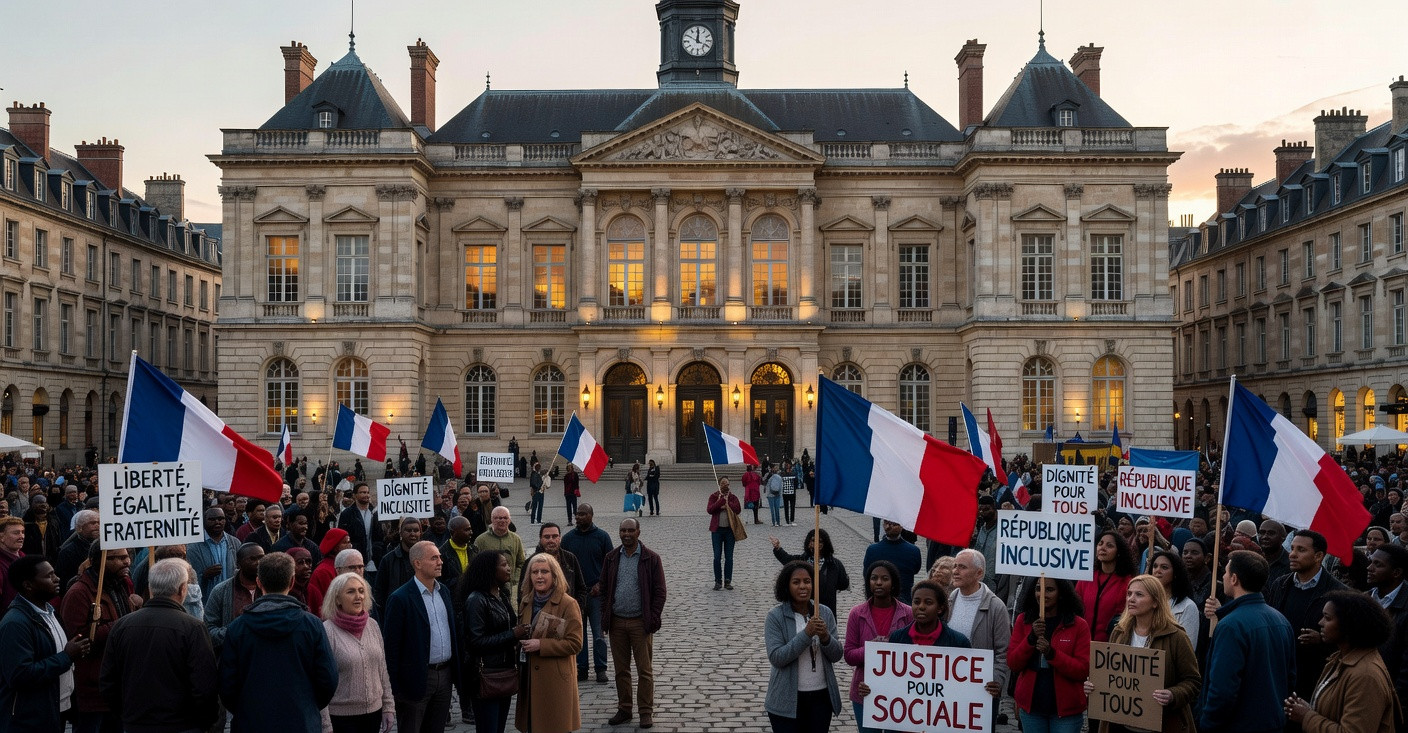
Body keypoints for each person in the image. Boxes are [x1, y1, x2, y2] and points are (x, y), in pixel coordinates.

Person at [219, 552, 338, 733]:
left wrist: (246, 709)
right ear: (292, 582)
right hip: (301, 722)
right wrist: (307, 705)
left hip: (252, 723)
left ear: (259, 583)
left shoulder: (237, 628)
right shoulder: (312, 625)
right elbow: (328, 678)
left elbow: (227, 685)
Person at [99, 558, 218, 733]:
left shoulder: (122, 626)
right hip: (182, 725)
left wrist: (128, 715)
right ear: (182, 589)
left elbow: (108, 682)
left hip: (136, 723)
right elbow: (204, 686)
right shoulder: (193, 627)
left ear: (150, 588)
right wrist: (204, 722)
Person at [1088, 574, 1201, 733]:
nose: (1131, 599)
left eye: (1139, 594)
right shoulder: (1119, 632)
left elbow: (1193, 681)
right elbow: (1111, 676)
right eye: (1129, 594)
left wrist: (1172, 694)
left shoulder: (1176, 637)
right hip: (1120, 726)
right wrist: (1095, 685)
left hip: (1162, 725)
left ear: (1155, 602)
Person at [1199, 550, 1297, 733]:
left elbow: (1223, 690)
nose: (1223, 576)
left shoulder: (1231, 626)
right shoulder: (1282, 620)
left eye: (1226, 572)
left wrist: (1208, 724)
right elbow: (1290, 679)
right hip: (1273, 723)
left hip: (1239, 725)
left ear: (1234, 579)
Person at [1284, 590, 1400, 733]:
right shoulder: (1341, 659)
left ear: (1348, 625)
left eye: (1327, 618)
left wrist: (1306, 717)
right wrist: (1309, 709)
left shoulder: (1365, 676)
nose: (1320, 622)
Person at [0, 556, 90, 733]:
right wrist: (66, 657)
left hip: (55, 710)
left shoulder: (50, 612)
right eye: (49, 576)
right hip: (29, 719)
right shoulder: (15, 623)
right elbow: (20, 674)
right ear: (28, 585)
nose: (57, 579)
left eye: (54, 573)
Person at [60, 544, 140, 733]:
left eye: (126, 556)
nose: (127, 561)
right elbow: (76, 641)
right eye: (117, 558)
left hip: (119, 686)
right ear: (98, 561)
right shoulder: (79, 593)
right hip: (93, 690)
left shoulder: (125, 584)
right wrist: (122, 624)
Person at [1263, 529, 1347, 704]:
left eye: (1301, 550)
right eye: (1292, 548)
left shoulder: (1339, 593)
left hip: (1314, 679)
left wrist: (1323, 639)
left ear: (1318, 556)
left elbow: (1348, 641)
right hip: (1280, 674)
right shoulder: (1280, 584)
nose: (1292, 554)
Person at [383, 541, 457, 733]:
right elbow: (392, 647)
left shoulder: (444, 592)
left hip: (445, 675)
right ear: (417, 563)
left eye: (440, 557)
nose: (440, 561)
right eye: (434, 558)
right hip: (415, 679)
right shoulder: (400, 598)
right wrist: (394, 688)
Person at [602, 518, 667, 728]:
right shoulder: (611, 558)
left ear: (638, 532)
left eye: (630, 530)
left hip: (641, 623)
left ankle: (646, 711)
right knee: (621, 670)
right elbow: (603, 588)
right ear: (619, 533)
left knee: (644, 670)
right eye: (623, 530)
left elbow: (660, 591)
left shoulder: (651, 558)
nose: (626, 534)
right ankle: (625, 708)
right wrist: (606, 613)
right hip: (617, 623)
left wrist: (653, 617)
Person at [765, 561, 843, 733]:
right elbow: (777, 657)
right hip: (786, 700)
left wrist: (825, 638)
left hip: (820, 697)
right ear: (787, 585)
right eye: (796, 582)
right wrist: (806, 635)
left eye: (807, 581)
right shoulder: (775, 616)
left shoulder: (824, 612)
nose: (803, 586)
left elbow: (837, 655)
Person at [1008, 578, 1090, 733]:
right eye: (1038, 588)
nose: (1042, 594)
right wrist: (1030, 639)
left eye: (1050, 590)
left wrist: (1052, 654)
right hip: (1032, 709)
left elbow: (1082, 670)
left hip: (1066, 712)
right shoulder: (1024, 620)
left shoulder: (1078, 625)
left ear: (1061, 593)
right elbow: (1013, 663)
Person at [460, 551, 529, 733]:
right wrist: (512, 635)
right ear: (490, 570)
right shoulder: (476, 600)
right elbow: (476, 641)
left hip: (504, 671)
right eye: (504, 565)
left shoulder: (501, 595)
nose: (509, 568)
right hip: (485, 674)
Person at [318, 572, 395, 733]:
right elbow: (320, 683)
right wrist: (325, 724)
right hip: (340, 719)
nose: (358, 596)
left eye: (361, 590)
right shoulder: (327, 631)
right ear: (337, 599)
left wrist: (388, 706)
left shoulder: (372, 625)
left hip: (374, 714)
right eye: (350, 592)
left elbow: (382, 669)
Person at [516, 553, 584, 733]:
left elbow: (575, 644)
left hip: (556, 680)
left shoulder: (568, 604)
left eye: (544, 572)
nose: (539, 576)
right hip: (530, 680)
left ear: (554, 576)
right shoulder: (525, 602)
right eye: (535, 572)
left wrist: (541, 645)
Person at [843, 560, 913, 733]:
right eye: (874, 578)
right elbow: (849, 655)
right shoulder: (857, 613)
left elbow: (916, 653)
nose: (879, 582)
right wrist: (872, 649)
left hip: (899, 694)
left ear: (893, 583)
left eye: (884, 578)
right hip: (864, 692)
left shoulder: (908, 613)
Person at [948, 549, 1010, 727]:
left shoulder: (996, 607)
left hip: (981, 689)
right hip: (952, 685)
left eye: (962, 567)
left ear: (979, 573)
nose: (955, 571)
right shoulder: (949, 600)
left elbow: (1003, 651)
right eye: (954, 566)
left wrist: (996, 681)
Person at [560, 503, 613, 684]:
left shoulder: (602, 537)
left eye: (583, 514)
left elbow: (610, 565)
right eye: (577, 514)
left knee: (599, 634)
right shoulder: (567, 539)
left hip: (597, 594)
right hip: (576, 595)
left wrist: (601, 584)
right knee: (578, 633)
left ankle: (601, 668)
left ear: (591, 515)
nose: (579, 517)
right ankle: (581, 668)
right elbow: (562, 566)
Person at [770, 529, 850, 616]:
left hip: (827, 610)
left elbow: (843, 584)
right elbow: (787, 560)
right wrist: (778, 548)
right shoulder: (801, 561)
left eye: (820, 541)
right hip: (804, 609)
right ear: (808, 543)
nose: (816, 544)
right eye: (813, 540)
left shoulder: (835, 564)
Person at [1076, 530, 1136, 642]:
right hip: (1083, 644)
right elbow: (1076, 608)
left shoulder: (1127, 582)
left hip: (1109, 647)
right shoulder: (1086, 578)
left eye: (1109, 545)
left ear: (1118, 552)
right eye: (1100, 544)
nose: (1102, 548)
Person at [474, 507, 526, 604]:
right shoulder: (480, 540)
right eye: (498, 518)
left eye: (505, 518)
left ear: (509, 520)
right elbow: (474, 565)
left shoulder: (516, 539)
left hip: (510, 587)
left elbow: (521, 562)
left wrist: (515, 578)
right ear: (492, 519)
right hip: (487, 588)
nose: (502, 521)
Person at [862, 520, 922, 604]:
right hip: (904, 601)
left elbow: (867, 575)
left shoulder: (872, 550)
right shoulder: (913, 551)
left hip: (879, 601)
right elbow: (916, 569)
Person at [374, 517, 424, 617]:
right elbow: (379, 592)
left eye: (416, 530)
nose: (413, 534)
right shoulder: (388, 560)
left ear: (420, 533)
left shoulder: (427, 558)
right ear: (401, 533)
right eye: (408, 530)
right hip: (397, 613)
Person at [187, 508, 242, 596]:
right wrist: (204, 576)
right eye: (212, 519)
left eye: (221, 519)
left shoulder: (235, 543)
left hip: (230, 597)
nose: (217, 522)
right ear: (204, 521)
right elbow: (189, 580)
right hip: (206, 598)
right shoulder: (193, 547)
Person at [1149, 550, 1201, 641]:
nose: (1157, 570)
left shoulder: (1187, 606)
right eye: (1155, 566)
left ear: (1175, 573)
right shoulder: (1144, 601)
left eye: (1164, 567)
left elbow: (1188, 647)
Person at [338, 482, 381, 578]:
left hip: (375, 561)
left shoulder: (375, 513)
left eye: (367, 492)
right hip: (356, 560)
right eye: (362, 492)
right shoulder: (347, 514)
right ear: (355, 495)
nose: (366, 495)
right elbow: (343, 536)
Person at [707, 477, 742, 590]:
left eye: (727, 483)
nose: (725, 485)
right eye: (723, 483)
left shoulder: (733, 497)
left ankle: (727, 580)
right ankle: (718, 581)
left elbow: (738, 509)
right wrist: (720, 501)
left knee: (729, 557)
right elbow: (710, 509)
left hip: (729, 531)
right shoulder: (713, 496)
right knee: (717, 556)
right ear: (719, 485)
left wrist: (727, 503)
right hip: (717, 531)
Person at [308, 528, 352, 614]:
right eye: (345, 543)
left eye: (349, 542)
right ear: (335, 547)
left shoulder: (342, 565)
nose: (349, 545)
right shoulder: (323, 571)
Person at [54, 509, 98, 591]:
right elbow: (63, 582)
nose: (97, 526)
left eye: (99, 523)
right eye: (93, 523)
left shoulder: (104, 549)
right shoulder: (67, 552)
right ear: (79, 528)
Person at [438, 516, 476, 591]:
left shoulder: (474, 550)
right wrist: (463, 578)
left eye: (470, 529)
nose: (471, 532)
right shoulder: (441, 554)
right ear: (453, 532)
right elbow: (440, 582)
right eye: (466, 530)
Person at [0, 516, 26, 613]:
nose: (21, 536)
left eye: (22, 532)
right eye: (16, 533)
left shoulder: (24, 558)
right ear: (1, 537)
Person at [1259, 519, 1292, 584]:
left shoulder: (1291, 565)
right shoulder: (1252, 560)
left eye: (1271, 533)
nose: (1265, 537)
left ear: (1283, 537)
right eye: (1262, 532)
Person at [779, 459, 799, 526]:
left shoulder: (783, 474)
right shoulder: (785, 473)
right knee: (786, 507)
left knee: (792, 507)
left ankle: (791, 520)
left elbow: (796, 482)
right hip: (786, 492)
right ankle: (787, 520)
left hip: (791, 492)